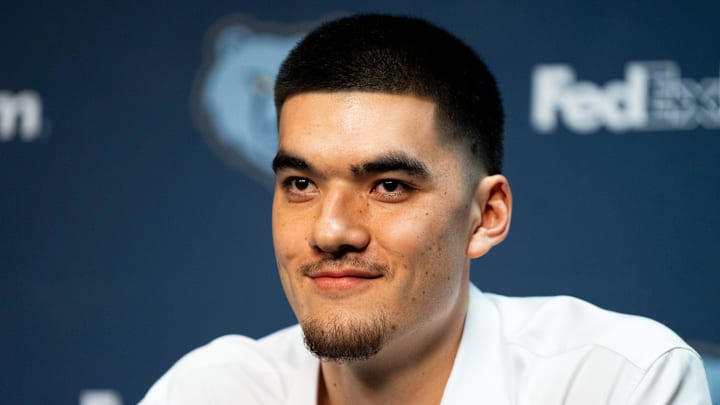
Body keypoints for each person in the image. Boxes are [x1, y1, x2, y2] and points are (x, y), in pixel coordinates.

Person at [139, 14, 711, 404]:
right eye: (301, 183)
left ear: (486, 215)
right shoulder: (208, 390)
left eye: (388, 186)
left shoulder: (614, 382)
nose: (330, 229)